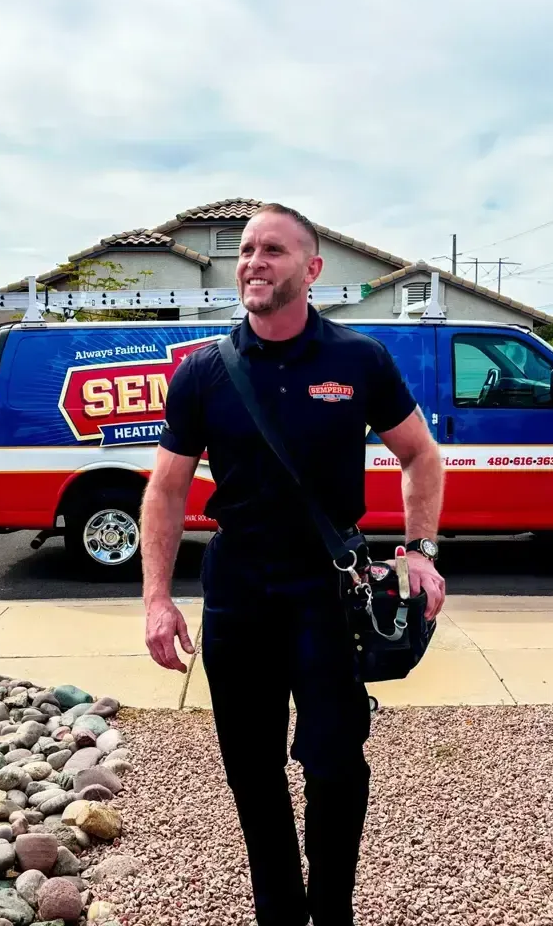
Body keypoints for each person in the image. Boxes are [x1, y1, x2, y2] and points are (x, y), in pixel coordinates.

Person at [140, 202, 446, 925]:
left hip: (328, 592)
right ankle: (279, 914)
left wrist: (421, 551)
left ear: (311, 269)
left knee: (335, 763)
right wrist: (157, 597)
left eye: (272, 250)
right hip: (238, 593)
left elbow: (420, 456)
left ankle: (332, 913)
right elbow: (167, 488)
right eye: (246, 250)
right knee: (252, 770)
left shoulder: (358, 360)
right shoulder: (203, 373)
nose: (253, 262)